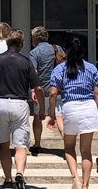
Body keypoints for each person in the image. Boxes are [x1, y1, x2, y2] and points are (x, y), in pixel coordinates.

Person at [0, 30, 43, 189]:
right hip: (19, 104)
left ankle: (7, 179)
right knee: (21, 145)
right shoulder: (26, 62)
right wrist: (41, 108)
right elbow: (38, 88)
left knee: (4, 145)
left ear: (7, 43)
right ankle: (19, 172)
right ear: (21, 44)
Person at [47, 35, 98, 189]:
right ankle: (86, 185)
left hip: (70, 108)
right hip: (88, 107)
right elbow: (97, 94)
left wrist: (52, 115)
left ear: (66, 51)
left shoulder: (59, 69)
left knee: (69, 148)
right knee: (86, 151)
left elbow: (53, 93)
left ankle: (76, 179)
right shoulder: (91, 68)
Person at [27, 26, 63, 154]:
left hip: (41, 90)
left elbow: (34, 72)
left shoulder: (34, 53)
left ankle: (37, 144)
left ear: (35, 38)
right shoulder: (57, 48)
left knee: (37, 117)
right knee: (59, 116)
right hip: (57, 89)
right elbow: (64, 65)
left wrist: (33, 90)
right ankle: (68, 144)